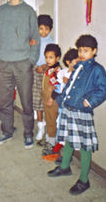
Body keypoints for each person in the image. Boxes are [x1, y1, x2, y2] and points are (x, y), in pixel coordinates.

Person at [47, 35, 106, 196]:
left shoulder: (97, 70)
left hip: (82, 112)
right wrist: (62, 98)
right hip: (68, 108)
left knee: (85, 146)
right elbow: (70, 84)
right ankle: (65, 167)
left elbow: (102, 90)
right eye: (80, 50)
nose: (82, 53)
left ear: (94, 51)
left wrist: (88, 102)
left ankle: (84, 180)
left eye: (86, 51)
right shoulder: (78, 66)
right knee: (68, 139)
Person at [0, 0, 40, 149]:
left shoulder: (28, 11)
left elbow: (35, 38)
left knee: (26, 102)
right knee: (4, 101)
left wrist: (31, 60)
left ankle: (28, 134)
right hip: (3, 63)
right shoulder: (1, 11)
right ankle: (7, 131)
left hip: (23, 63)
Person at [32, 14, 54, 142]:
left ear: (50, 30)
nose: (43, 32)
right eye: (41, 28)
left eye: (46, 29)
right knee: (36, 100)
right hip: (34, 72)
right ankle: (40, 125)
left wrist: (44, 66)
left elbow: (54, 59)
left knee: (46, 100)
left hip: (47, 73)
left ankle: (48, 125)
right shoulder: (34, 40)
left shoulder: (51, 42)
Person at [41, 43, 61, 155]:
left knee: (52, 121)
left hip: (52, 101)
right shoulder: (49, 69)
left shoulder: (57, 71)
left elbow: (57, 88)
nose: (48, 60)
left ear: (57, 58)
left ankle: (52, 144)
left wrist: (51, 99)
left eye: (51, 57)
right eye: (46, 57)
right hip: (46, 100)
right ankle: (49, 139)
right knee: (48, 120)